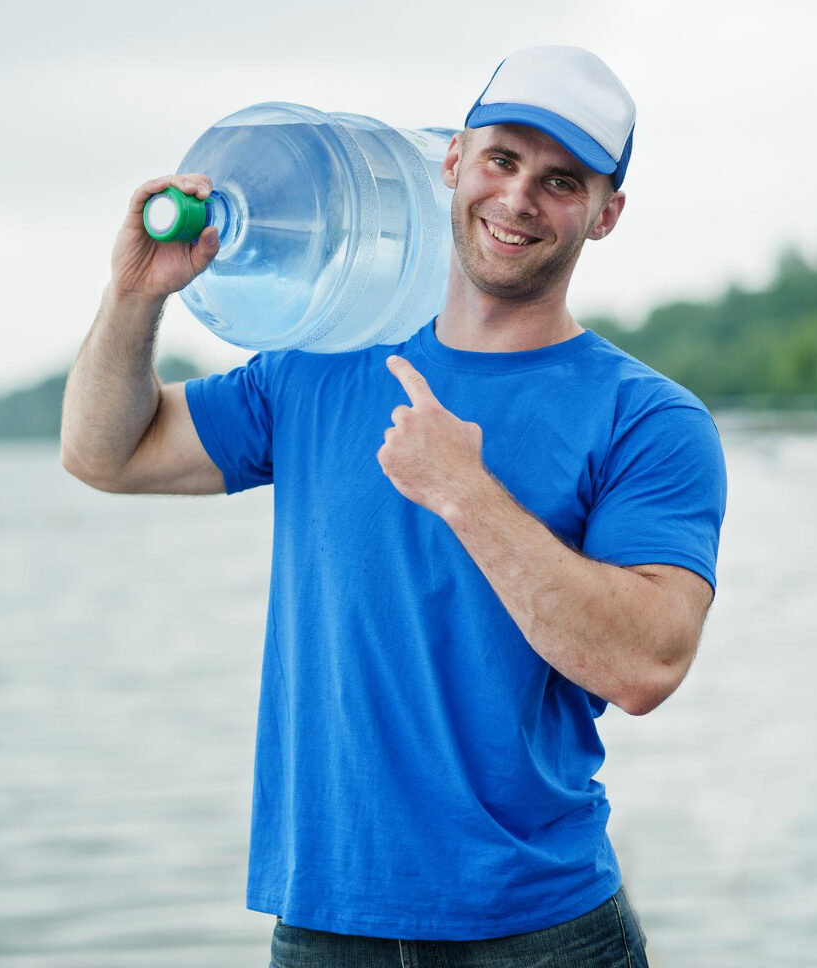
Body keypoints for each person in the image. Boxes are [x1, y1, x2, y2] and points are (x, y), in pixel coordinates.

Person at [60, 45, 726, 968]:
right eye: (500, 159)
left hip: (538, 929)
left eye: (561, 180)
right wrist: (133, 296)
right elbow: (104, 452)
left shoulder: (646, 417)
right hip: (325, 917)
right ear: (452, 161)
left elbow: (647, 664)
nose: (519, 198)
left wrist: (467, 495)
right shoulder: (324, 358)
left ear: (605, 214)